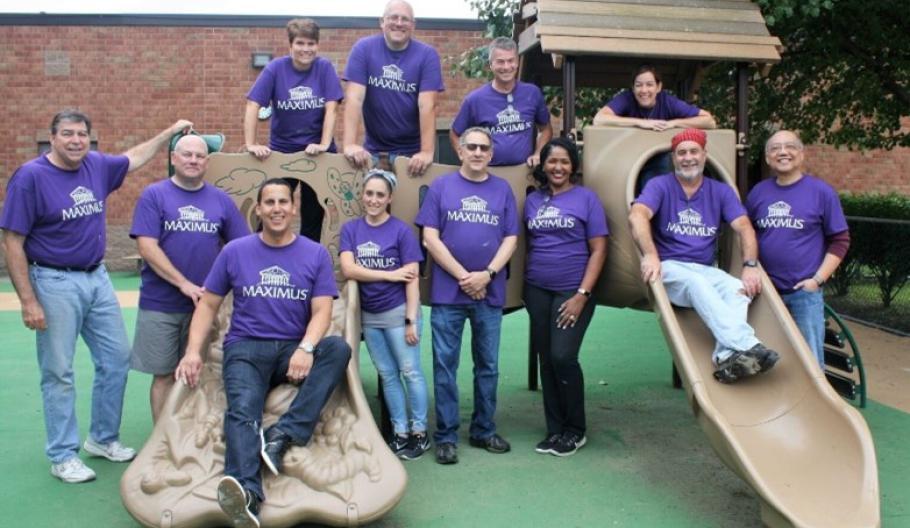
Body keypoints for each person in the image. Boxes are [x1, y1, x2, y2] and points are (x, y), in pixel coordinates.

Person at [0, 110, 192, 483]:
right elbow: (12, 241)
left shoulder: (96, 166)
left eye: (82, 134)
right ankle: (62, 454)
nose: (75, 141)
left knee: (117, 359)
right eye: (68, 134)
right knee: (59, 371)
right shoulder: (32, 177)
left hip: (97, 278)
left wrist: (169, 131)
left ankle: (102, 439)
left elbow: (133, 157)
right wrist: (28, 299)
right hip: (54, 281)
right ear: (52, 138)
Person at [174, 178, 351, 527]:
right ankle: (247, 492)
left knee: (338, 349)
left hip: (291, 348)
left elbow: (322, 312)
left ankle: (282, 435)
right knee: (242, 411)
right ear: (258, 209)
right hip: (246, 348)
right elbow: (208, 305)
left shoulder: (314, 253)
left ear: (294, 208)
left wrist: (305, 348)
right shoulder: (235, 251)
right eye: (269, 202)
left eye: (283, 202)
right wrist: (193, 351)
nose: (277, 209)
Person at [628, 128, 780, 384]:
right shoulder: (660, 185)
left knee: (736, 288)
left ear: (704, 155)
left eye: (693, 151)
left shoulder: (719, 191)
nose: (688, 158)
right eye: (681, 153)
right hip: (669, 268)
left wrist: (751, 265)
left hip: (702, 268)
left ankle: (726, 357)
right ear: (673, 159)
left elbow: (744, 226)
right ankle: (747, 344)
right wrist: (650, 255)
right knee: (695, 283)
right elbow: (638, 215)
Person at [415, 127, 519, 464]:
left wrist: (486, 275)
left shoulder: (502, 190)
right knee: (445, 367)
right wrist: (464, 276)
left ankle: (483, 430)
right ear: (459, 151)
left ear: (491, 154)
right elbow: (430, 238)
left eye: (483, 148)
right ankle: (445, 436)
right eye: (470, 147)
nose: (476, 152)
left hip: (489, 293)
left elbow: (510, 239)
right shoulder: (441, 187)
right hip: (448, 294)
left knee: (487, 366)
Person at [129, 134, 249, 423]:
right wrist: (183, 283)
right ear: (173, 159)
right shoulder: (154, 195)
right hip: (161, 304)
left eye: (199, 156)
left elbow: (242, 246)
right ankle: (162, 438)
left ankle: (192, 434)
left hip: (206, 306)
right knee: (164, 375)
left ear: (207, 162)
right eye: (187, 155)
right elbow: (147, 246)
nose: (193, 160)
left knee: (202, 373)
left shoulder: (220, 200)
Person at [523, 138, 608, 457]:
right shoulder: (533, 201)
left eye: (564, 161)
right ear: (543, 165)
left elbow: (599, 249)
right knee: (547, 359)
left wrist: (582, 295)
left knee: (563, 357)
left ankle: (576, 429)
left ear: (573, 166)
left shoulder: (587, 199)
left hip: (572, 290)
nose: (558, 167)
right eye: (552, 161)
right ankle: (555, 429)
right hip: (537, 290)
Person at [339, 169, 429, 460]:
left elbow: (412, 278)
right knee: (388, 375)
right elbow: (349, 269)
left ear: (389, 198)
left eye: (380, 195)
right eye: (369, 194)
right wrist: (390, 275)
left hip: (399, 312)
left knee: (410, 372)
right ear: (363, 195)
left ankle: (420, 432)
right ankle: (400, 431)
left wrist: (410, 320)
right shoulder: (351, 229)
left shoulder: (401, 231)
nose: (373, 200)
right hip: (370, 315)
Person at [746, 130, 849, 368]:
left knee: (810, 358)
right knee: (765, 356)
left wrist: (817, 280)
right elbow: (746, 233)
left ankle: (816, 404)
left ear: (801, 154)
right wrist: (750, 268)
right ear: (767, 157)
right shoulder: (759, 193)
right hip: (765, 293)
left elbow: (840, 240)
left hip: (804, 293)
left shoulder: (821, 192)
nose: (783, 152)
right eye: (775, 148)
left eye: (790, 146)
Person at [244, 18, 343, 243]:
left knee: (313, 216)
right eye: (300, 43)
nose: (305, 49)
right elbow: (252, 104)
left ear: (317, 46)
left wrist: (324, 144)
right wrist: (251, 143)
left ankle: (306, 264)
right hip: (283, 154)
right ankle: (264, 255)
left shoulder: (324, 68)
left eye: (311, 44)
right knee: (272, 209)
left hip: (316, 155)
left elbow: (332, 108)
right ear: (290, 46)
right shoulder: (275, 69)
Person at [342, 0, 444, 176]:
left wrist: (426, 152)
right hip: (374, 151)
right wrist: (350, 144)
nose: (398, 23)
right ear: (382, 22)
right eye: (393, 18)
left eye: (405, 19)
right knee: (371, 202)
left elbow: (427, 106)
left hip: (413, 155)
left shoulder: (427, 55)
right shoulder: (364, 49)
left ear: (413, 25)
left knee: (411, 204)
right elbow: (354, 98)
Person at [450, 37, 552, 167]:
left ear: (518, 62)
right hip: (488, 174)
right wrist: (466, 158)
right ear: (490, 65)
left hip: (524, 172)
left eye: (511, 61)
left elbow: (546, 129)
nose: (506, 67)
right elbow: (455, 134)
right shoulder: (475, 99)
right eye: (500, 62)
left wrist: (538, 154)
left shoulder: (532, 93)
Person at [592, 65, 716, 131]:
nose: (644, 90)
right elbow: (599, 119)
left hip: (658, 157)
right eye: (639, 85)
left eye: (649, 85)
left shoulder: (668, 101)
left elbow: (709, 121)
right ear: (633, 87)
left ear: (659, 87)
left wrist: (673, 124)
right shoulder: (627, 98)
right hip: (628, 153)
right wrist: (641, 123)